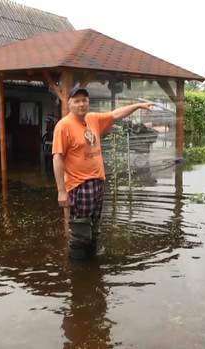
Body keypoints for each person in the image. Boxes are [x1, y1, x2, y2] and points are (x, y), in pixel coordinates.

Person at [52, 87, 153, 260]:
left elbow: (116, 114)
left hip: (97, 183)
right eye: (77, 101)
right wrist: (61, 191)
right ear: (69, 103)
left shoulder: (93, 119)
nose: (81, 104)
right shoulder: (63, 126)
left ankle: (91, 266)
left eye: (84, 100)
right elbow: (57, 158)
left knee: (94, 227)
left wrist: (138, 105)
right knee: (79, 231)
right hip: (78, 186)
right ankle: (78, 273)